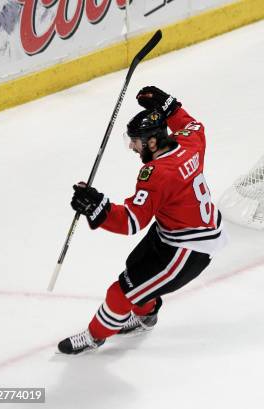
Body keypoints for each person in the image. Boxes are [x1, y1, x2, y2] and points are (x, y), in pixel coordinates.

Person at [58, 86, 227, 354]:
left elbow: (131, 222)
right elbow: (193, 124)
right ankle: (146, 315)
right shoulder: (190, 140)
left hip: (190, 248)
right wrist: (170, 106)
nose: (133, 148)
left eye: (136, 142)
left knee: (121, 292)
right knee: (134, 268)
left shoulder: (157, 174)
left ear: (152, 142)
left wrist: (97, 208)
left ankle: (94, 337)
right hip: (178, 228)